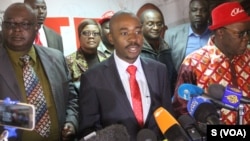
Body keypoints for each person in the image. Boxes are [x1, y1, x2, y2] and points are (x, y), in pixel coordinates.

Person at [77, 10, 174, 141]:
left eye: (138, 31)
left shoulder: (159, 70)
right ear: (111, 37)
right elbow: (88, 132)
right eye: (124, 33)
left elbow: (169, 120)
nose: (133, 38)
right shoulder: (92, 78)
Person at [0, 3, 78, 140]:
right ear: (2, 27)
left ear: (36, 27)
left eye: (25, 24)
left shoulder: (57, 58)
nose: (17, 30)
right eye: (10, 24)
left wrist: (71, 121)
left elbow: (72, 99)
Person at [172, 1, 250, 125]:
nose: (246, 38)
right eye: (240, 34)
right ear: (220, 32)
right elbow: (181, 110)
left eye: (248, 32)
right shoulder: (193, 63)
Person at [165, 0, 211, 72]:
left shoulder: (216, 34)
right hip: (184, 80)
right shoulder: (172, 35)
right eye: (194, 10)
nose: (198, 14)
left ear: (208, 14)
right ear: (189, 13)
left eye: (203, 10)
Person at [139, 9, 177, 97]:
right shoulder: (136, 52)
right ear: (141, 26)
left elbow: (173, 78)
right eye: (150, 24)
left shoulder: (166, 48)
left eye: (159, 24)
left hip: (167, 100)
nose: (156, 27)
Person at [66, 18, 107, 83]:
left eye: (95, 33)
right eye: (86, 33)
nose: (91, 36)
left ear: (100, 37)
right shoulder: (68, 61)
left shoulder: (108, 58)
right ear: (79, 36)